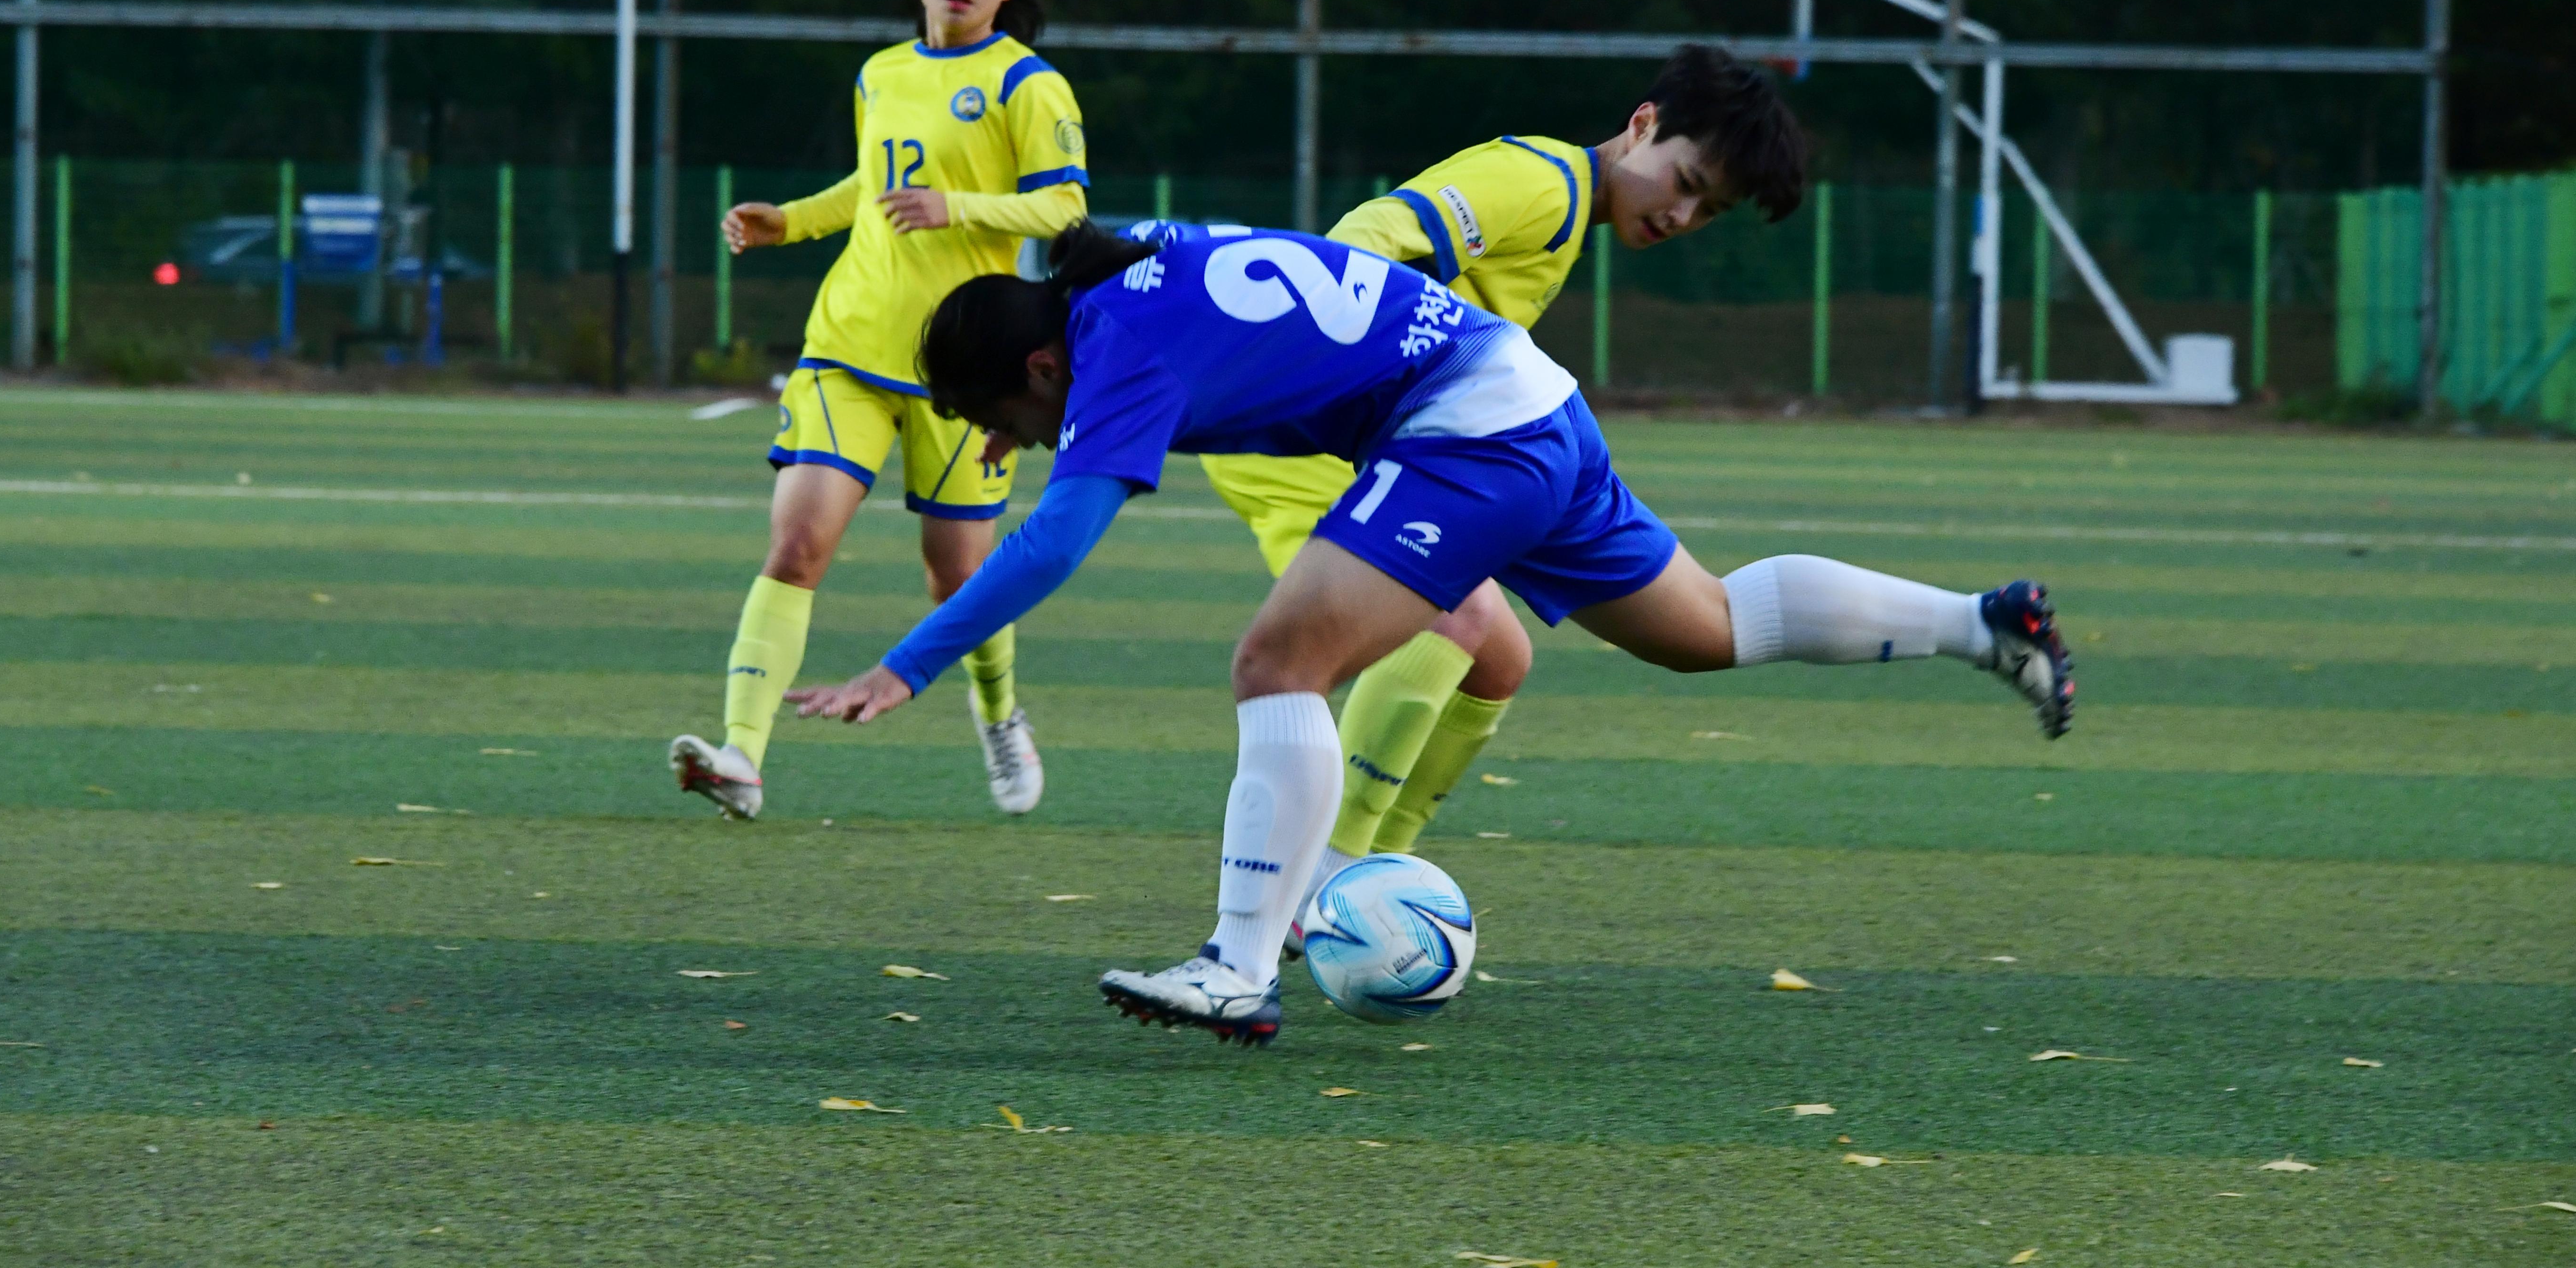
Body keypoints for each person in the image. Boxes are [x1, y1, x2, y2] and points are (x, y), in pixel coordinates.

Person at [786, 220, 2074, 1046]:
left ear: (1042, 372)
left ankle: (1238, 967)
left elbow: (1058, 541)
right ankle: (1983, 624)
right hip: (1525, 399)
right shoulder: (1129, 264)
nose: (1002, 447)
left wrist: (907, 666)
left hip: (1469, 426)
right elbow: (1100, 248)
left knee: (1276, 662)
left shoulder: (1111, 349)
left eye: (993, 421)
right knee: (1705, 625)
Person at [1199, 46, 1803, 923]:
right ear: (1642, 126)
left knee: (1499, 660)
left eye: (1707, 209)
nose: (1681, 214)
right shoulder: (1540, 182)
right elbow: (1364, 240)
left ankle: (1366, 882)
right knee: (1459, 616)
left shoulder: (1568, 211)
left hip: (1382, 445)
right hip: (1305, 439)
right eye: (1685, 180)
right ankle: (1311, 888)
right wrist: (1367, 382)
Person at [668, 0, 1089, 823]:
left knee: (960, 577)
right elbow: (871, 185)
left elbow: (1064, 207)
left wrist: (961, 206)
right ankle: (743, 752)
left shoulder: (1030, 84)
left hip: (965, 369)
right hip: (850, 343)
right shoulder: (882, 72)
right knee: (798, 541)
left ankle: (998, 714)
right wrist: (789, 223)